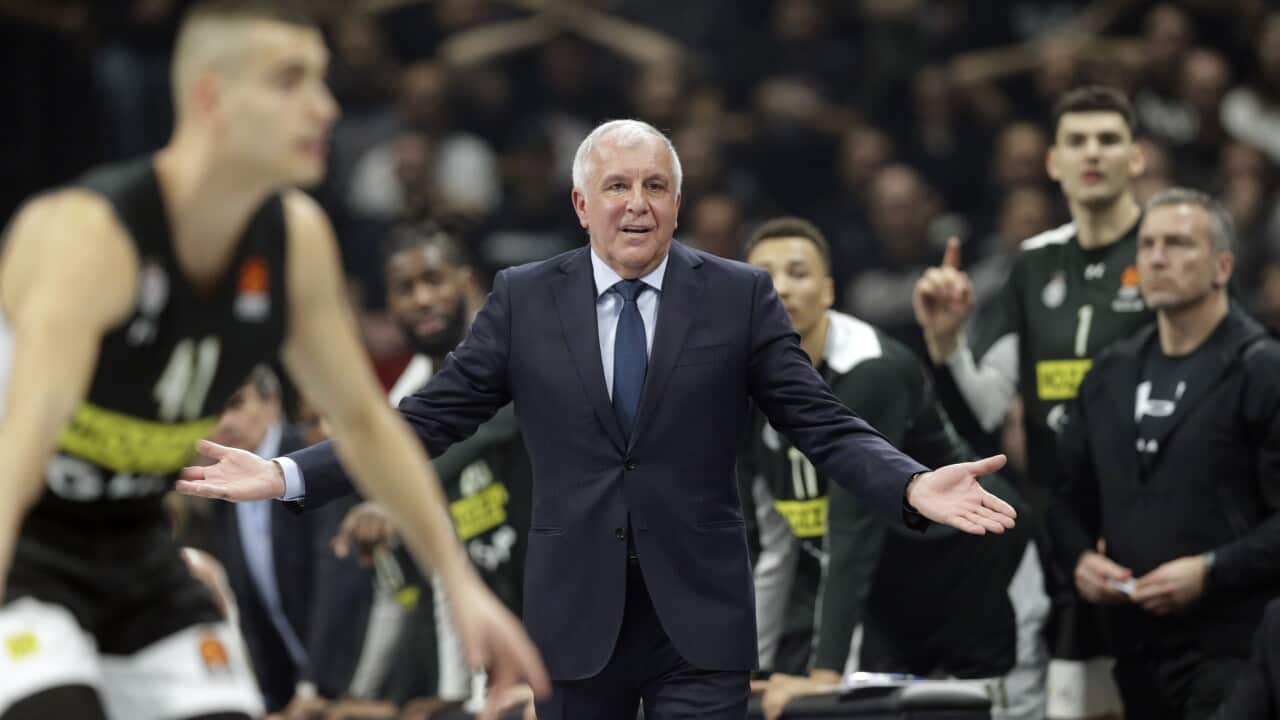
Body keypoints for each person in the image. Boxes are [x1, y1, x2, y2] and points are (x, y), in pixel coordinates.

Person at [178, 118, 1017, 719]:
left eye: (655, 186)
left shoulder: (738, 296)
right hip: (572, 623)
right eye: (616, 186)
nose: (636, 203)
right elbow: (426, 419)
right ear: (583, 205)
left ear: (678, 205)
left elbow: (822, 423)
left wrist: (910, 485)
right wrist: (290, 474)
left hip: (700, 620)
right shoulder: (522, 299)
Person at [0, 3, 547, 719]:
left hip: (136, 551)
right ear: (210, 97)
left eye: (323, 79)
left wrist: (463, 586)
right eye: (290, 81)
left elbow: (368, 424)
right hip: (23, 547)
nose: (324, 106)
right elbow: (22, 436)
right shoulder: (91, 234)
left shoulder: (295, 238)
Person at [741, 217, 1047, 720]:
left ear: (829, 291)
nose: (781, 288)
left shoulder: (871, 370)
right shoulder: (743, 382)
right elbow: (774, 542)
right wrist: (750, 668)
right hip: (891, 595)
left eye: (798, 272)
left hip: (977, 572)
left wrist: (821, 680)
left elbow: (851, 533)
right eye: (764, 276)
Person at [913, 85, 1154, 717]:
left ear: (1137, 158)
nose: (1092, 152)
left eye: (1108, 139)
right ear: (1054, 162)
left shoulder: (1167, 251)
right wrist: (947, 345)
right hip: (1060, 521)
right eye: (1077, 141)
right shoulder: (1033, 262)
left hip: (1150, 515)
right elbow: (991, 404)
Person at [1049, 188, 1280, 720]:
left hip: (1234, 648)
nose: (1155, 257)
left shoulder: (1261, 369)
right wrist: (1081, 559)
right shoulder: (1110, 373)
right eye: (1148, 244)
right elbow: (1065, 498)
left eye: (1177, 244)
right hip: (1133, 647)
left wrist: (1212, 570)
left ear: (1222, 266)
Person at [206, 366, 372, 713]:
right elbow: (251, 608)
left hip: (357, 673)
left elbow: (338, 578)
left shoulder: (310, 459)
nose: (224, 422)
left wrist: (316, 685)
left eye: (235, 404)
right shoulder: (221, 496)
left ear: (272, 403)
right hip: (292, 692)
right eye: (214, 409)